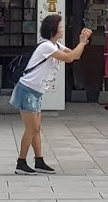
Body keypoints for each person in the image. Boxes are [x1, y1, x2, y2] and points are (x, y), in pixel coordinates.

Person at [10, 13, 92, 175]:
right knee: (31, 128)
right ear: (52, 29)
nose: (62, 29)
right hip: (27, 90)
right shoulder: (46, 46)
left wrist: (82, 42)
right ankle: (21, 163)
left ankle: (39, 161)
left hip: (35, 92)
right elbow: (69, 58)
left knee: (36, 128)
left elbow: (75, 55)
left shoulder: (55, 45)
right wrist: (82, 42)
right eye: (60, 27)